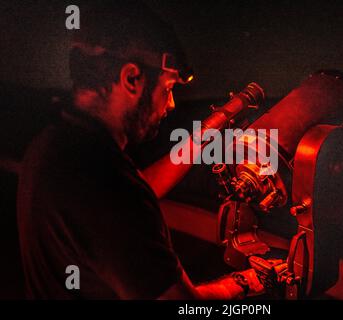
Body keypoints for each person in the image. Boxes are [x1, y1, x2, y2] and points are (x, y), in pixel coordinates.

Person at [17, 1, 263, 299]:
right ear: (132, 78)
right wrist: (243, 283)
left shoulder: (55, 146)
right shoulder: (108, 184)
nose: (171, 104)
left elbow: (138, 189)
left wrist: (204, 136)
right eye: (168, 88)